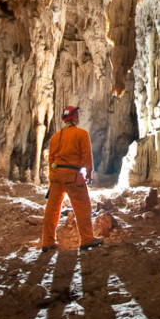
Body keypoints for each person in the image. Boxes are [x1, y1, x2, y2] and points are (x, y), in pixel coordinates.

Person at [40, 106, 103, 251]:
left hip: (56, 176)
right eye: (77, 115)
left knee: (52, 209)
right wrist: (89, 172)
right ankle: (87, 239)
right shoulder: (81, 134)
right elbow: (86, 155)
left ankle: (47, 241)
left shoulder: (56, 137)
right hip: (73, 176)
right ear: (74, 118)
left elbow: (51, 159)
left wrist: (52, 175)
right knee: (82, 207)